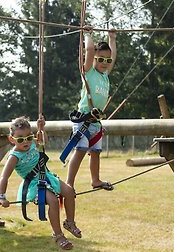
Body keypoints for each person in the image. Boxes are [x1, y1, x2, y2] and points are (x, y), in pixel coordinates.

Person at [0, 116, 82, 250]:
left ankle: (69, 222)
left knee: (69, 192)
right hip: (34, 185)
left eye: (29, 137)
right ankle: (58, 235)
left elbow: (44, 140)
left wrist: (41, 128)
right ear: (11, 139)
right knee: (53, 201)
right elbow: (4, 177)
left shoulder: (33, 144)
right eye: (20, 139)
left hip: (47, 176)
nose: (26, 141)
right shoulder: (14, 157)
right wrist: (2, 196)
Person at [66, 27, 117, 191]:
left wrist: (112, 39)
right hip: (83, 120)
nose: (105, 63)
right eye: (100, 59)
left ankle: (95, 180)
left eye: (107, 60)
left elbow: (113, 56)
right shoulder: (88, 72)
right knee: (80, 150)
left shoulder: (105, 76)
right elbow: (88, 49)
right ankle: (69, 183)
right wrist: (87, 35)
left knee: (95, 152)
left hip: (96, 122)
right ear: (94, 58)